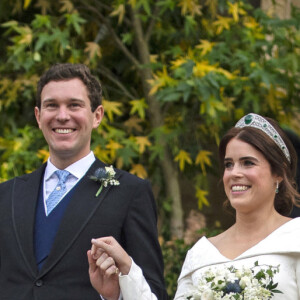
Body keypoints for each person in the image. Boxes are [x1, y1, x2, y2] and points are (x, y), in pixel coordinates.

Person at [0, 63, 168, 300]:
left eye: (74, 105)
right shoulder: (6, 195)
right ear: (38, 116)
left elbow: (153, 293)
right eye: (51, 106)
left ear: (97, 115)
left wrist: (114, 294)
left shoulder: (130, 193)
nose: (62, 115)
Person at [174, 113, 300, 299]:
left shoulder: (295, 237)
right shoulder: (200, 254)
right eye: (228, 164)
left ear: (279, 172)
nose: (234, 173)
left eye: (248, 163)